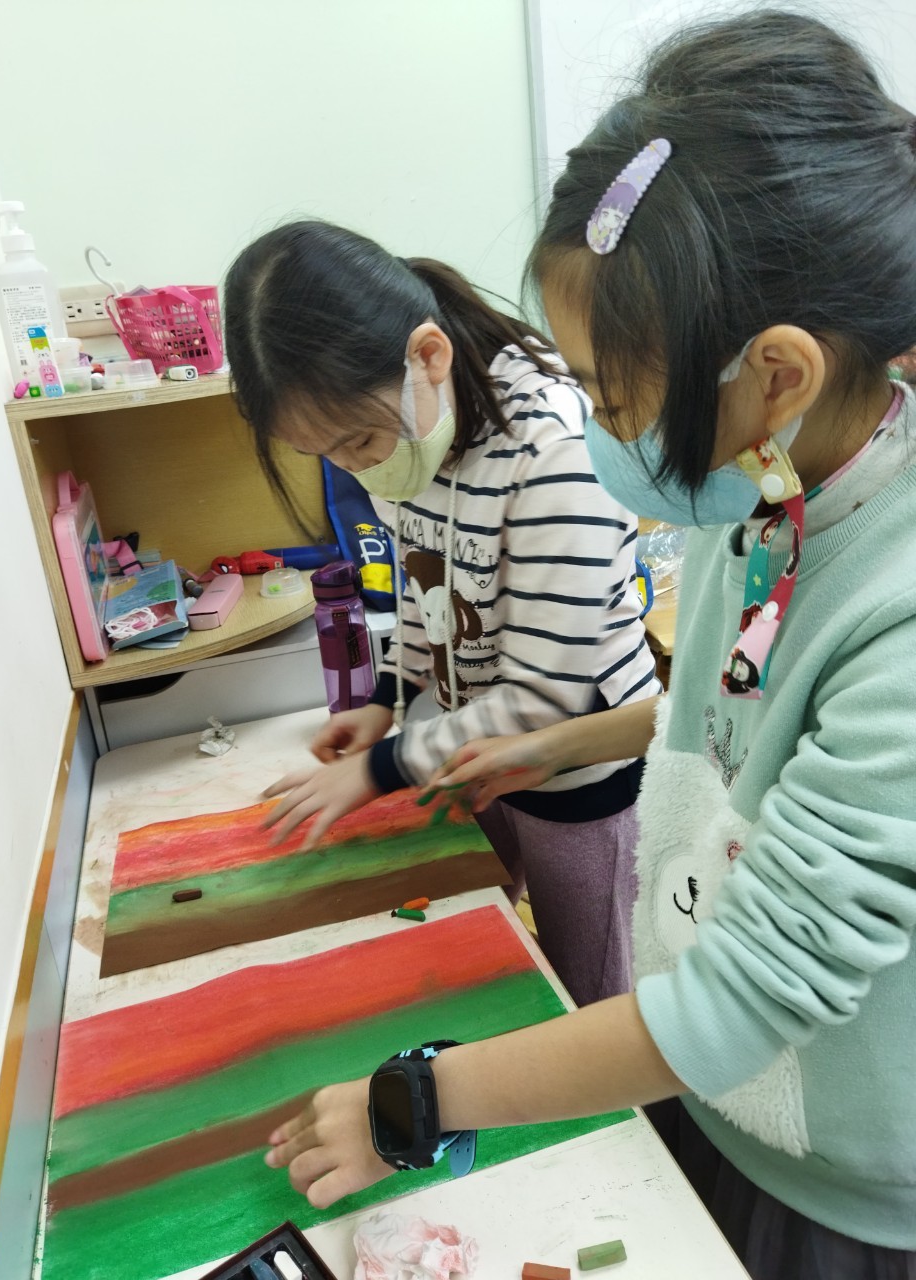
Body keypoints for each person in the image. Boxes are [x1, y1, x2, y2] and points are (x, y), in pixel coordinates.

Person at [261, 13, 916, 1279]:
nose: (602, 430)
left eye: (612, 396)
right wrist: (575, 740)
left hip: (834, 1177)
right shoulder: (764, 483)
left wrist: (418, 1099)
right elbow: (743, 711)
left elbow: (744, 999)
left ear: (777, 374)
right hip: (712, 1091)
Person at [224, 220, 660, 1005]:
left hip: (575, 774)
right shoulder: (415, 433)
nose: (354, 467)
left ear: (429, 355)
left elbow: (544, 698)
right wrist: (385, 698)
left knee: (587, 992)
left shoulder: (556, 447)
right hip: (467, 748)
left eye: (359, 440)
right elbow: (426, 595)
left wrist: (379, 770)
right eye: (324, 453)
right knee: (477, 957)